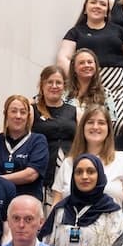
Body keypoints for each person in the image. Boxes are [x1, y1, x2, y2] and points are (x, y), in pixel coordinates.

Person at [38, 156, 123, 246]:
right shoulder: (61, 209)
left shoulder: (112, 212)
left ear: (100, 175)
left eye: (90, 171)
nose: (84, 176)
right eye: (79, 172)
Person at [58, 0, 123, 127]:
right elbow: (63, 58)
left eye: (103, 4)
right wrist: (77, 81)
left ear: (107, 10)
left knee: (119, 124)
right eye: (93, 2)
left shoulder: (120, 31)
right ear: (85, 8)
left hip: (118, 88)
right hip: (85, 86)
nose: (97, 6)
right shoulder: (75, 32)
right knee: (89, 124)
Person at [52, 105, 123, 219]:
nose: (95, 127)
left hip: (111, 232)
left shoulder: (122, 159)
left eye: (101, 123)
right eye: (90, 122)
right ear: (82, 127)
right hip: (71, 232)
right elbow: (57, 202)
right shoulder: (68, 162)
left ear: (108, 129)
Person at [0, 94, 50, 204]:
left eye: (23, 112)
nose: (18, 116)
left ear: (28, 116)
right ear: (6, 114)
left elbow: (31, 175)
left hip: (27, 203)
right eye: (13, 111)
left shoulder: (38, 141)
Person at [32, 65, 79, 196]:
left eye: (58, 82)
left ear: (64, 86)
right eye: (49, 82)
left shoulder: (75, 111)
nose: (54, 86)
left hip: (69, 171)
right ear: (42, 84)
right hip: (41, 172)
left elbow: (82, 141)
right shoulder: (32, 110)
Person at [67, 48, 114, 119]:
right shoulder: (64, 93)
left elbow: (111, 122)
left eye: (90, 62)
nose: (86, 65)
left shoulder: (105, 94)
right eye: (81, 63)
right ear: (74, 68)